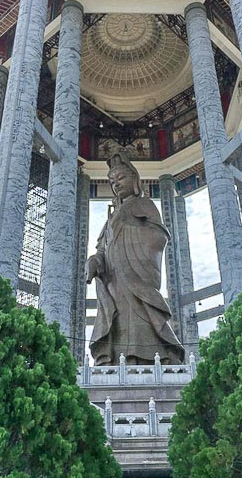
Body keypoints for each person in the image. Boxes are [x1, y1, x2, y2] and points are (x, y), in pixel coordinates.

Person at [86, 153, 185, 366]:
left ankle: (155, 357)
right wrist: (96, 261)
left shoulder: (145, 205)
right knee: (116, 319)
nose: (116, 185)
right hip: (114, 281)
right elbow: (103, 246)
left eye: (121, 178)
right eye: (112, 182)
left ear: (134, 178)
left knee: (142, 317)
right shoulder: (113, 215)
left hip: (137, 277)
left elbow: (159, 237)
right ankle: (113, 359)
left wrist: (129, 226)